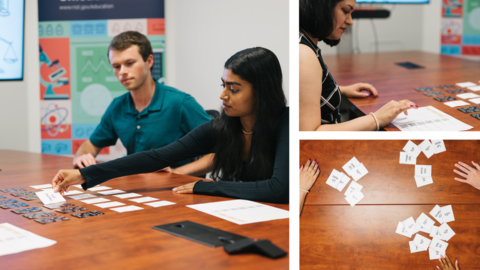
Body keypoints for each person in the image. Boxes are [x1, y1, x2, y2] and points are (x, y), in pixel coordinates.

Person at [51, 47, 289, 204]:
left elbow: (278, 189)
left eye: (234, 89)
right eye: (223, 85)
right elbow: (156, 157)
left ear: (262, 92)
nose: (223, 96)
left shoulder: (285, 123)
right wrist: (84, 175)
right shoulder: (223, 128)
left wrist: (206, 187)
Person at [73, 31, 210, 169]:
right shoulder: (117, 107)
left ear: (149, 61)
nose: (122, 72)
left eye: (129, 63)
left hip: (175, 188)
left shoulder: (180, 103)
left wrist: (177, 173)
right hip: (135, 185)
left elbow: (221, 152)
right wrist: (83, 156)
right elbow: (90, 145)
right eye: (116, 66)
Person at [299, 0, 418, 131]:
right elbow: (309, 134)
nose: (350, 21)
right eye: (345, 11)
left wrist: (341, 90)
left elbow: (310, 91)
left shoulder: (306, 44)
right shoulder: (304, 53)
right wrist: (376, 118)